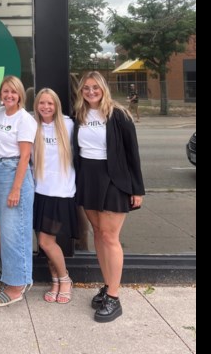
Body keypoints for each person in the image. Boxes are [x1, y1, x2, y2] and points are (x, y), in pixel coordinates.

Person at [72, 71, 145, 322]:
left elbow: (132, 153)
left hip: (114, 179)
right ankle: (107, 285)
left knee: (110, 236)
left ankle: (114, 297)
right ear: (81, 91)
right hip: (88, 178)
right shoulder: (78, 115)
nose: (91, 92)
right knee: (98, 233)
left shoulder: (119, 115)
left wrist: (137, 189)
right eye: (86, 88)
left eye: (95, 87)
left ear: (103, 88)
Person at [0, 75, 38, 307]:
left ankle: (17, 284)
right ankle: (16, 274)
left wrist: (16, 189)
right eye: (5, 91)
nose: (9, 95)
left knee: (14, 232)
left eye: (13, 92)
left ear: (20, 95)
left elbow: (25, 155)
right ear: (0, 93)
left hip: (14, 172)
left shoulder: (25, 119)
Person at [31, 88, 77, 305]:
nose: (46, 107)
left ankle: (65, 279)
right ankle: (56, 280)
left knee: (46, 241)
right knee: (46, 243)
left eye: (50, 103)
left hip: (60, 193)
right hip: (39, 191)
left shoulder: (68, 125)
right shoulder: (32, 126)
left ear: (56, 105)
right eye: (42, 103)